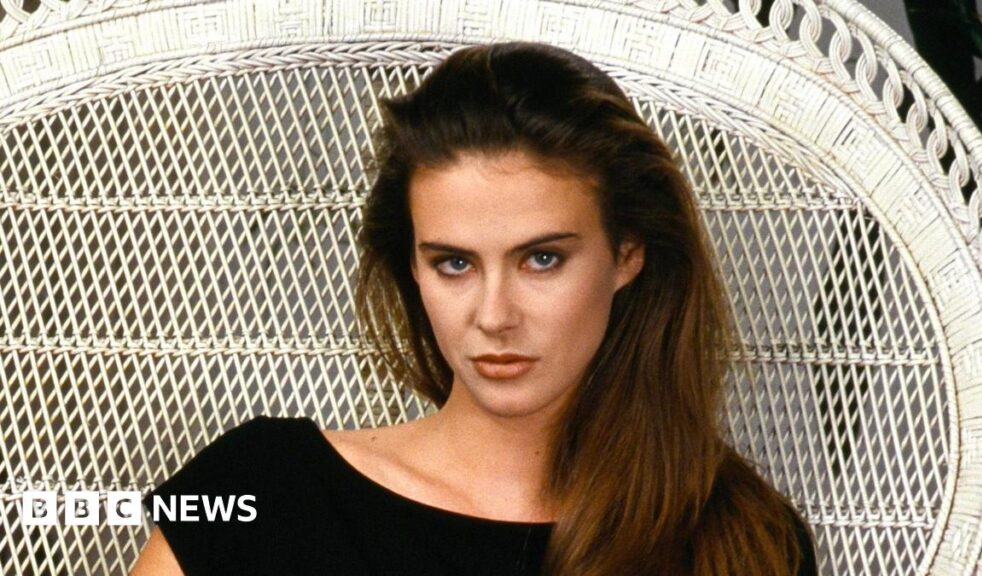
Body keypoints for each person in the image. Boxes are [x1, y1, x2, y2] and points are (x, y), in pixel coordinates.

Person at [131, 41, 817, 575]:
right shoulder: (265, 493)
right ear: (413, 268)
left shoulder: (738, 537)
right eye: (454, 263)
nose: (494, 315)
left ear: (628, 253)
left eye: (542, 259)